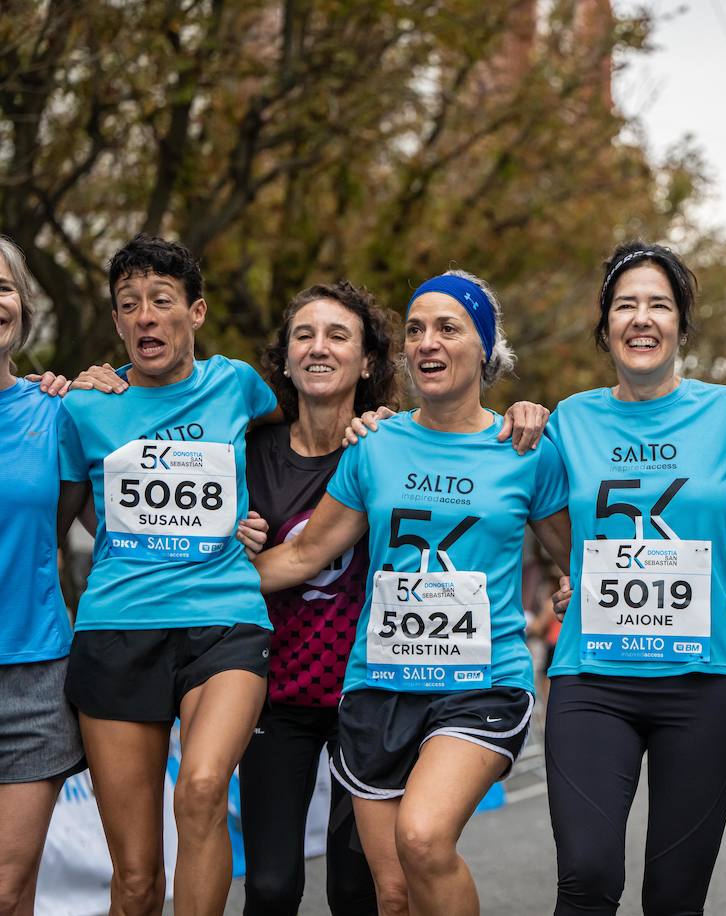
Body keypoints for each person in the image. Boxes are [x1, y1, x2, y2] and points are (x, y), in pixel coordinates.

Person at [252, 270, 571, 916]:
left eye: (448, 328)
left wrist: (576, 589)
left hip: (480, 687)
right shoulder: (375, 445)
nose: (427, 341)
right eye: (417, 329)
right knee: (391, 895)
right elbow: (308, 554)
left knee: (423, 838)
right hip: (378, 690)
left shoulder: (526, 448)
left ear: (485, 348)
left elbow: (580, 557)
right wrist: (211, 573)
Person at [54, 235, 278, 916]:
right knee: (135, 883)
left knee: (205, 787)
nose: (145, 317)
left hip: (225, 620)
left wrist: (268, 515)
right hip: (118, 629)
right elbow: (49, 522)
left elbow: (304, 439)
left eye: (161, 301)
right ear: (117, 323)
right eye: (129, 306)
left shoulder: (238, 384)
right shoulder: (84, 408)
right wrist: (58, 384)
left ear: (197, 311)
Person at [539, 242, 726, 915]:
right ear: (605, 325)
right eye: (626, 305)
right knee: (586, 876)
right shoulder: (568, 420)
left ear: (682, 327)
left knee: (673, 896)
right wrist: (576, 571)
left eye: (659, 305)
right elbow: (551, 528)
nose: (642, 318)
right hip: (592, 680)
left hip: (704, 684)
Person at [237, 281, 394, 916]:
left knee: (356, 890)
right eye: (304, 335)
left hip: (370, 690)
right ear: (284, 358)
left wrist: (525, 413)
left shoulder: (392, 447)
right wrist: (233, 544)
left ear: (368, 362)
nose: (319, 348)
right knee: (271, 888)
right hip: (275, 689)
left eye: (338, 336)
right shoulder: (245, 450)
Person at [0, 236, 84, 916]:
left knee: (9, 888)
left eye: (2, 288)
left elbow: (92, 519)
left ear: (22, 310)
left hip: (33, 677)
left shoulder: (57, 413)